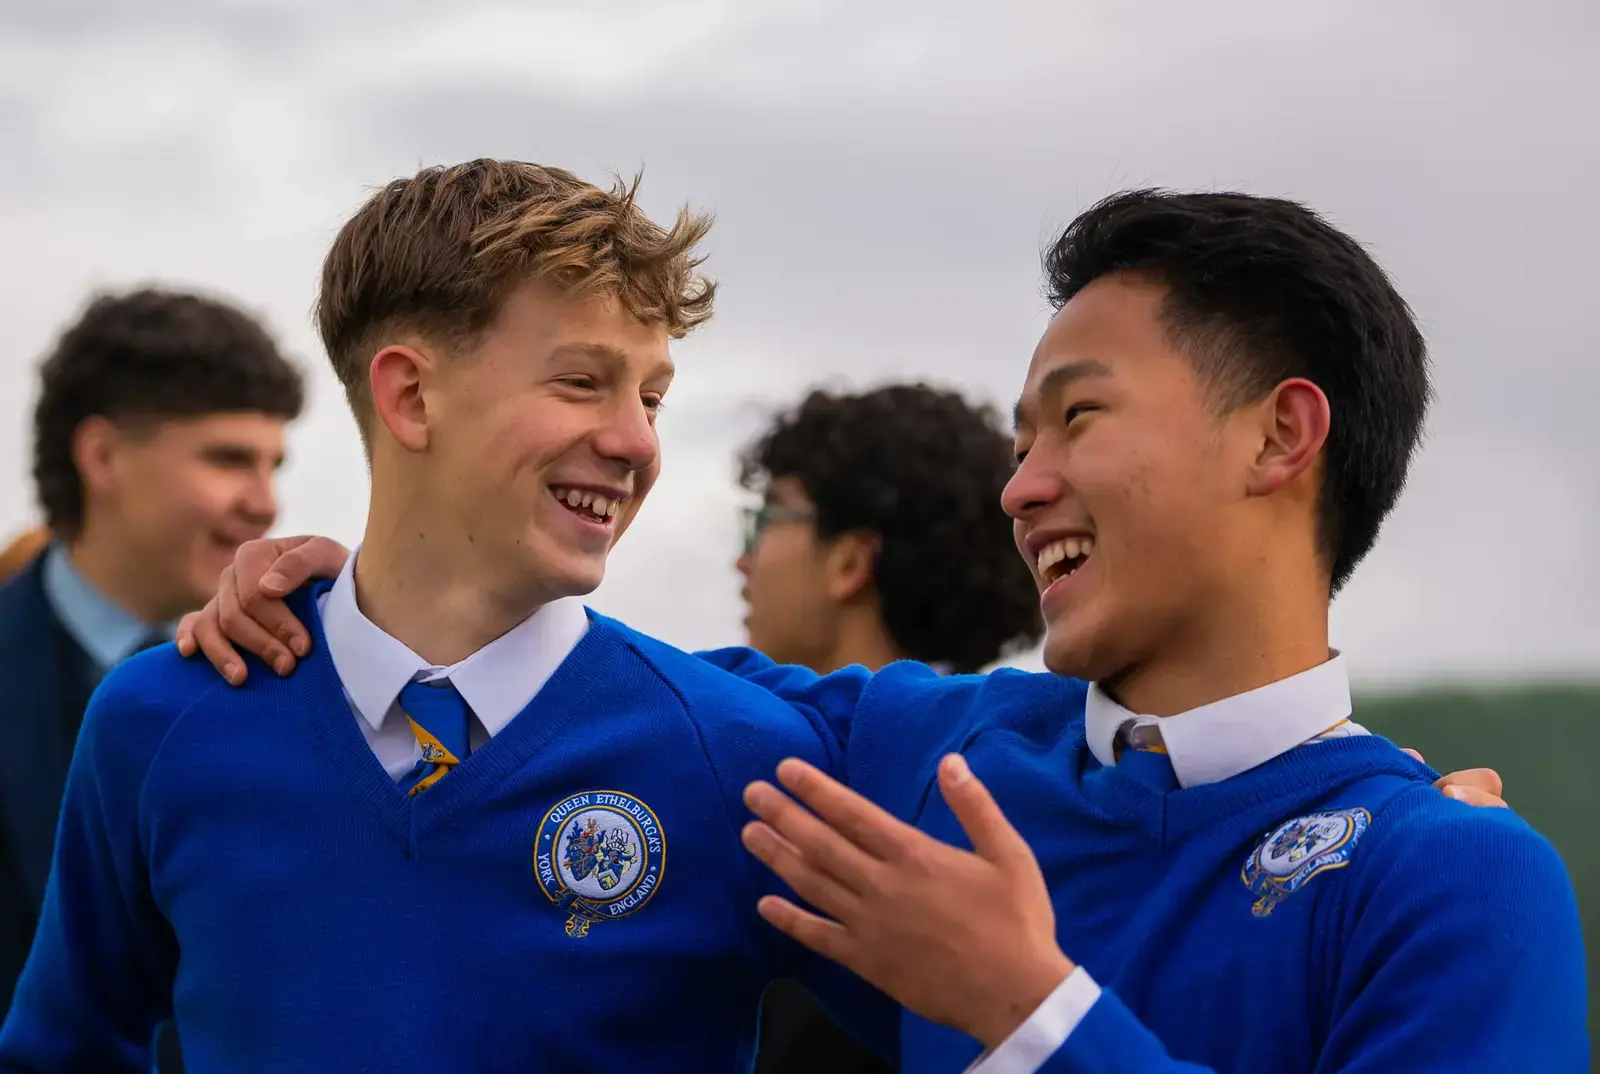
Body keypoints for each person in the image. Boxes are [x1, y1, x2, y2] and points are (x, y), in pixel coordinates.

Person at [168, 187, 1533, 1070]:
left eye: (1080, 415)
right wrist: (347, 603)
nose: (1023, 482)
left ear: (1281, 436)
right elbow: (571, 693)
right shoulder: (907, 753)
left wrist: (1033, 1013)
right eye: (1019, 436)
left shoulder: (1450, 880)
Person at [0, 159, 902, 1072]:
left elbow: (976, 1027)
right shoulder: (161, 723)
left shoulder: (742, 757)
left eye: (653, 397)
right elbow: (63, 1049)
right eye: (583, 382)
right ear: (410, 395)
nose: (637, 441)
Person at [0, 287, 302, 1071]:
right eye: (228, 458)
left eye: (274, 463)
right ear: (101, 457)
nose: (264, 504)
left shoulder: (296, 685)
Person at [737, 384, 1042, 1074]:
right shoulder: (1003, 780)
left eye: (766, 521)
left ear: (850, 562)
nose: (743, 560)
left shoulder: (801, 799)